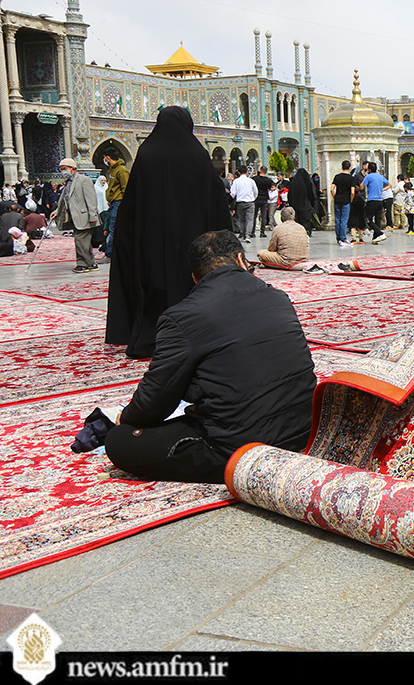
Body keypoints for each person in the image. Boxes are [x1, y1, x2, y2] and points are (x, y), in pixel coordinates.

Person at [105, 230, 316, 484]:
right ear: (241, 260)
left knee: (121, 442)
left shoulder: (183, 316)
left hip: (242, 448)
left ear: (195, 278)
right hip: (303, 432)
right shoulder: (278, 297)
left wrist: (127, 418)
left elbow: (156, 399)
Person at [105, 106, 233, 359]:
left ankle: (152, 337)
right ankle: (195, 337)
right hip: (194, 242)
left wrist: (127, 238)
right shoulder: (197, 153)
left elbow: (131, 203)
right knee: (191, 286)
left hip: (150, 241)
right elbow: (216, 201)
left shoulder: (147, 152)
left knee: (154, 284)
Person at [49, 157, 101, 273]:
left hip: (85, 217)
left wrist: (93, 216)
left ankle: (83, 264)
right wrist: (57, 211)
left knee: (80, 241)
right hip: (75, 217)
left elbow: (91, 199)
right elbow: (64, 200)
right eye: (61, 169)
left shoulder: (84, 180)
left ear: (73, 168)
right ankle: (91, 263)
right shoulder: (68, 183)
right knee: (84, 242)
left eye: (65, 168)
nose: (63, 171)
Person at [103, 150, 128, 260]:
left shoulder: (122, 171)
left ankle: (109, 254)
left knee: (113, 228)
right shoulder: (111, 170)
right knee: (111, 227)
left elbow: (125, 189)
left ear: (108, 157)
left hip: (119, 202)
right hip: (113, 203)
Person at [362, 161, 388, 244]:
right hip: (380, 200)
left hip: (371, 200)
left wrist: (365, 177)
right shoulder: (380, 177)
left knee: (368, 219)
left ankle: (380, 233)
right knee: (377, 219)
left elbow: (362, 187)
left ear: (369, 169)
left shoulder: (368, 177)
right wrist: (382, 190)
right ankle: (376, 237)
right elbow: (389, 184)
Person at [229, 166, 258, 241]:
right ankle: (247, 235)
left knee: (241, 220)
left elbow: (233, 193)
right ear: (247, 172)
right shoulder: (251, 181)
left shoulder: (236, 181)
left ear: (238, 172)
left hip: (240, 203)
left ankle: (243, 233)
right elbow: (256, 192)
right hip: (250, 202)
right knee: (249, 219)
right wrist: (253, 198)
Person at [331, 160, 355, 247]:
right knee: (344, 220)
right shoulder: (351, 178)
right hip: (346, 200)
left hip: (338, 200)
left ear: (342, 167)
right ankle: (343, 238)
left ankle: (338, 238)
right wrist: (351, 199)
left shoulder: (337, 177)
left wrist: (334, 197)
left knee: (337, 220)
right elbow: (352, 192)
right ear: (349, 168)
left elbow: (331, 189)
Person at [289, 166, 318, 236]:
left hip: (296, 206)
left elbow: (290, 195)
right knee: (306, 221)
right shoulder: (307, 183)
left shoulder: (293, 184)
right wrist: (312, 203)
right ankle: (307, 232)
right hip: (306, 206)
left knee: (298, 221)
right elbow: (311, 194)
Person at [252, 166, 273, 238]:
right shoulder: (268, 180)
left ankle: (252, 232)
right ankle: (262, 232)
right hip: (264, 198)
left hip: (256, 198)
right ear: (266, 172)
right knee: (263, 216)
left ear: (260, 170)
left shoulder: (255, 179)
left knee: (254, 215)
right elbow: (270, 187)